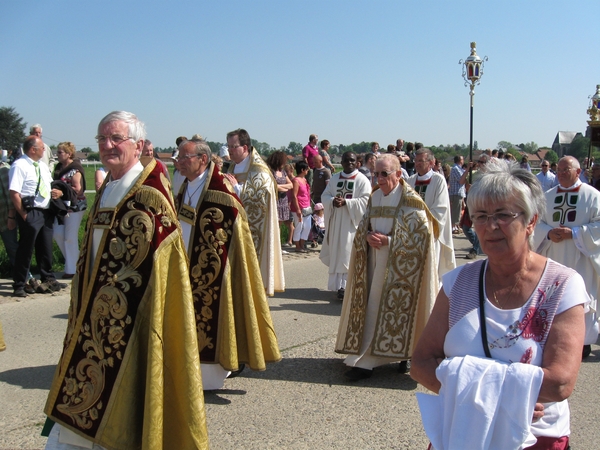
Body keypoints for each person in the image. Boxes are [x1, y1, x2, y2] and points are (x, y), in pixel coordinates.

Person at [43, 111, 208, 449]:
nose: (107, 146)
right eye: (102, 139)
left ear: (137, 145)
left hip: (131, 320)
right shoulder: (109, 188)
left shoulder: (149, 195)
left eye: (116, 138)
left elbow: (161, 270)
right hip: (93, 315)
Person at [411, 160, 586, 449]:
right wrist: (507, 399)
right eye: (480, 216)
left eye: (503, 215)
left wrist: (468, 385)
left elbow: (560, 383)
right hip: (461, 432)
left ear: (531, 221)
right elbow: (420, 363)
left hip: (534, 437)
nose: (490, 226)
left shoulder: (562, 285)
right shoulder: (457, 283)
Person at [174, 138, 281, 390]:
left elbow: (236, 230)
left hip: (215, 270)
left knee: (213, 319)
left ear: (202, 160)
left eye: (184, 158)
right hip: (185, 265)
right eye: (178, 158)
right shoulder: (185, 186)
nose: (179, 163)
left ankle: (211, 376)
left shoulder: (221, 189)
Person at [336, 154, 438, 380]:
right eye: (376, 174)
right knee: (372, 307)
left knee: (400, 312)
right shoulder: (374, 197)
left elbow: (422, 239)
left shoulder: (411, 201)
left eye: (385, 174)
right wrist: (368, 236)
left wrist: (389, 242)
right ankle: (367, 358)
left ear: (399, 174)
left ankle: (403, 356)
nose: (379, 179)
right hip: (374, 263)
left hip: (400, 268)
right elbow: (364, 225)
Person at [533, 156, 600, 357]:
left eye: (566, 170)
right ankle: (553, 339)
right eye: (559, 170)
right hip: (554, 257)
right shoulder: (548, 196)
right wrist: (548, 233)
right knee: (554, 297)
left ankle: (583, 343)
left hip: (581, 258)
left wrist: (575, 233)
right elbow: (536, 222)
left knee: (580, 297)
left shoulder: (593, 196)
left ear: (578, 172)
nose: (561, 173)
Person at [224, 128, 284, 296]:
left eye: (233, 147)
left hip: (253, 229)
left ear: (245, 147)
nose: (230, 151)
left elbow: (259, 199)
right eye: (228, 146)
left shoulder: (259, 170)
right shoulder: (231, 167)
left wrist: (236, 188)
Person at [9, 136, 66, 297]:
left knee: (45, 247)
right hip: (30, 211)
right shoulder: (19, 165)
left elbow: (48, 185)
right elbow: (14, 192)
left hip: (45, 211)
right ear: (32, 149)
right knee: (26, 249)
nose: (44, 150)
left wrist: (58, 192)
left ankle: (48, 278)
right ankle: (20, 283)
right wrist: (23, 214)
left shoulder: (42, 166)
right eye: (42, 148)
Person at [319, 152, 371, 299]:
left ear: (357, 163)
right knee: (338, 252)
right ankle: (338, 286)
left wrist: (347, 203)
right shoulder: (335, 178)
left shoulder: (362, 180)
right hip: (337, 222)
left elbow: (366, 200)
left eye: (352, 161)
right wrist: (332, 201)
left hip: (352, 224)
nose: (349, 163)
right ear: (341, 163)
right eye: (346, 161)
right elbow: (325, 196)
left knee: (348, 252)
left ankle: (348, 285)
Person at [408, 148, 456, 281]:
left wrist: (419, 220)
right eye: (415, 161)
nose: (417, 164)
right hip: (412, 233)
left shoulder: (438, 180)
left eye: (420, 161)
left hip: (430, 233)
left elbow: (440, 209)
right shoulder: (410, 181)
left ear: (431, 162)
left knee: (429, 273)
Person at [51, 142, 87, 279]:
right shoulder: (59, 168)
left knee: (70, 238)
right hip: (62, 207)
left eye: (60, 152)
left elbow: (77, 189)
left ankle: (72, 270)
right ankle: (77, 263)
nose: (57, 155)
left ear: (69, 154)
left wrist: (61, 192)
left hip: (75, 207)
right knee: (58, 233)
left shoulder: (75, 169)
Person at [266, 151, 293, 248]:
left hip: (283, 201)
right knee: (274, 224)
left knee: (279, 224)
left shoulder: (283, 172)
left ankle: (277, 246)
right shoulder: (270, 171)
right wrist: (282, 187)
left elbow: (291, 185)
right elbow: (272, 186)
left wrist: (280, 186)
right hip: (275, 200)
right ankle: (272, 246)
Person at [289, 161, 312, 253]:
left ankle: (302, 244)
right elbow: (294, 196)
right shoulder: (296, 180)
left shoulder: (305, 179)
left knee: (307, 226)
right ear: (302, 170)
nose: (307, 171)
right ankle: (297, 246)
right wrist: (298, 209)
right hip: (298, 207)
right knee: (299, 226)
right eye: (306, 169)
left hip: (307, 206)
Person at [449, 155, 466, 233]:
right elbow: (461, 180)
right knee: (456, 211)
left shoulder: (458, 168)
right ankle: (453, 227)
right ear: (460, 160)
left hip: (458, 192)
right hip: (455, 192)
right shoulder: (456, 168)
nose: (463, 161)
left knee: (457, 211)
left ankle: (455, 226)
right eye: (462, 159)